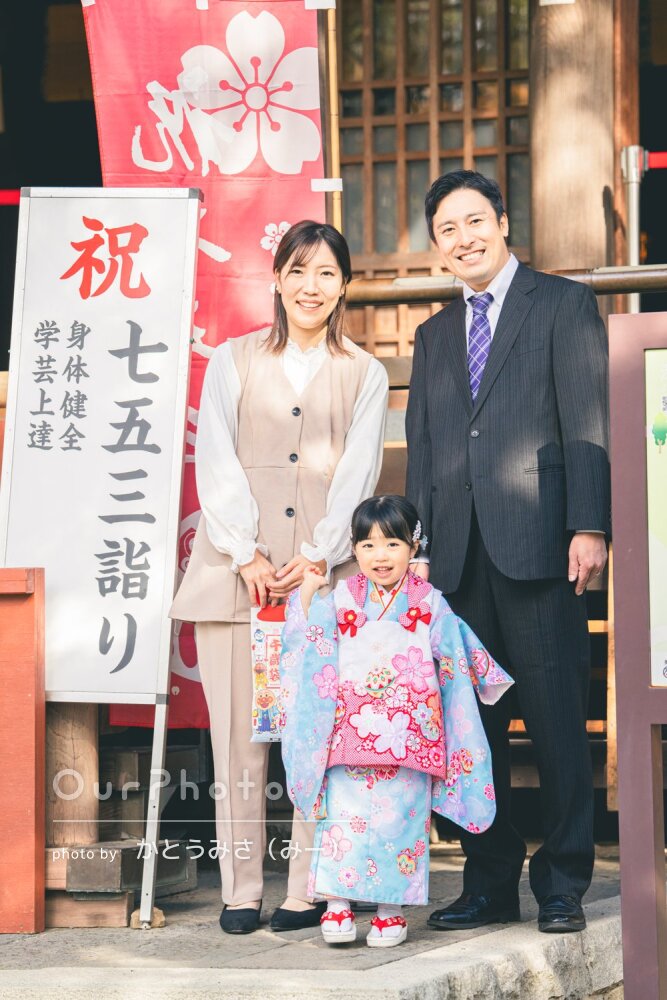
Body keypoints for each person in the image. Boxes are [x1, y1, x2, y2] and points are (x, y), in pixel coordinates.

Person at [405, 170, 610, 934]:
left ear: (501, 221)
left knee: (555, 722)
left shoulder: (560, 303)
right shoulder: (432, 335)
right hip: (457, 561)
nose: (463, 239)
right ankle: (489, 882)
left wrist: (588, 525)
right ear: (437, 248)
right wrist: (419, 552)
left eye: (473, 221)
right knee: (473, 732)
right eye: (446, 230)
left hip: (541, 546)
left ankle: (562, 881)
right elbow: (423, 451)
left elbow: (585, 419)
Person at [170, 221, 389, 934]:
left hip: (321, 580)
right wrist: (246, 552)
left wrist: (322, 553)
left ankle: (306, 886)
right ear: (277, 279)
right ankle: (240, 889)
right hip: (238, 577)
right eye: (298, 270)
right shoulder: (232, 359)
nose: (310, 286)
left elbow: (359, 469)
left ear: (344, 286)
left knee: (315, 734)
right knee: (238, 740)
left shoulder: (364, 372)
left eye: (326, 273)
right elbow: (215, 458)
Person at [279, 495, 513, 947]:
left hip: (407, 736)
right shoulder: (341, 598)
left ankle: (390, 911)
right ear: (354, 549)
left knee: (400, 823)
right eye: (367, 545)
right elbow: (310, 647)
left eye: (392, 544)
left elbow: (453, 652)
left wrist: (481, 674)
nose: (379, 556)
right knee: (342, 821)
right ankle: (337, 904)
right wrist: (306, 595)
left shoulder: (430, 602)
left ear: (413, 547)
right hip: (349, 733)